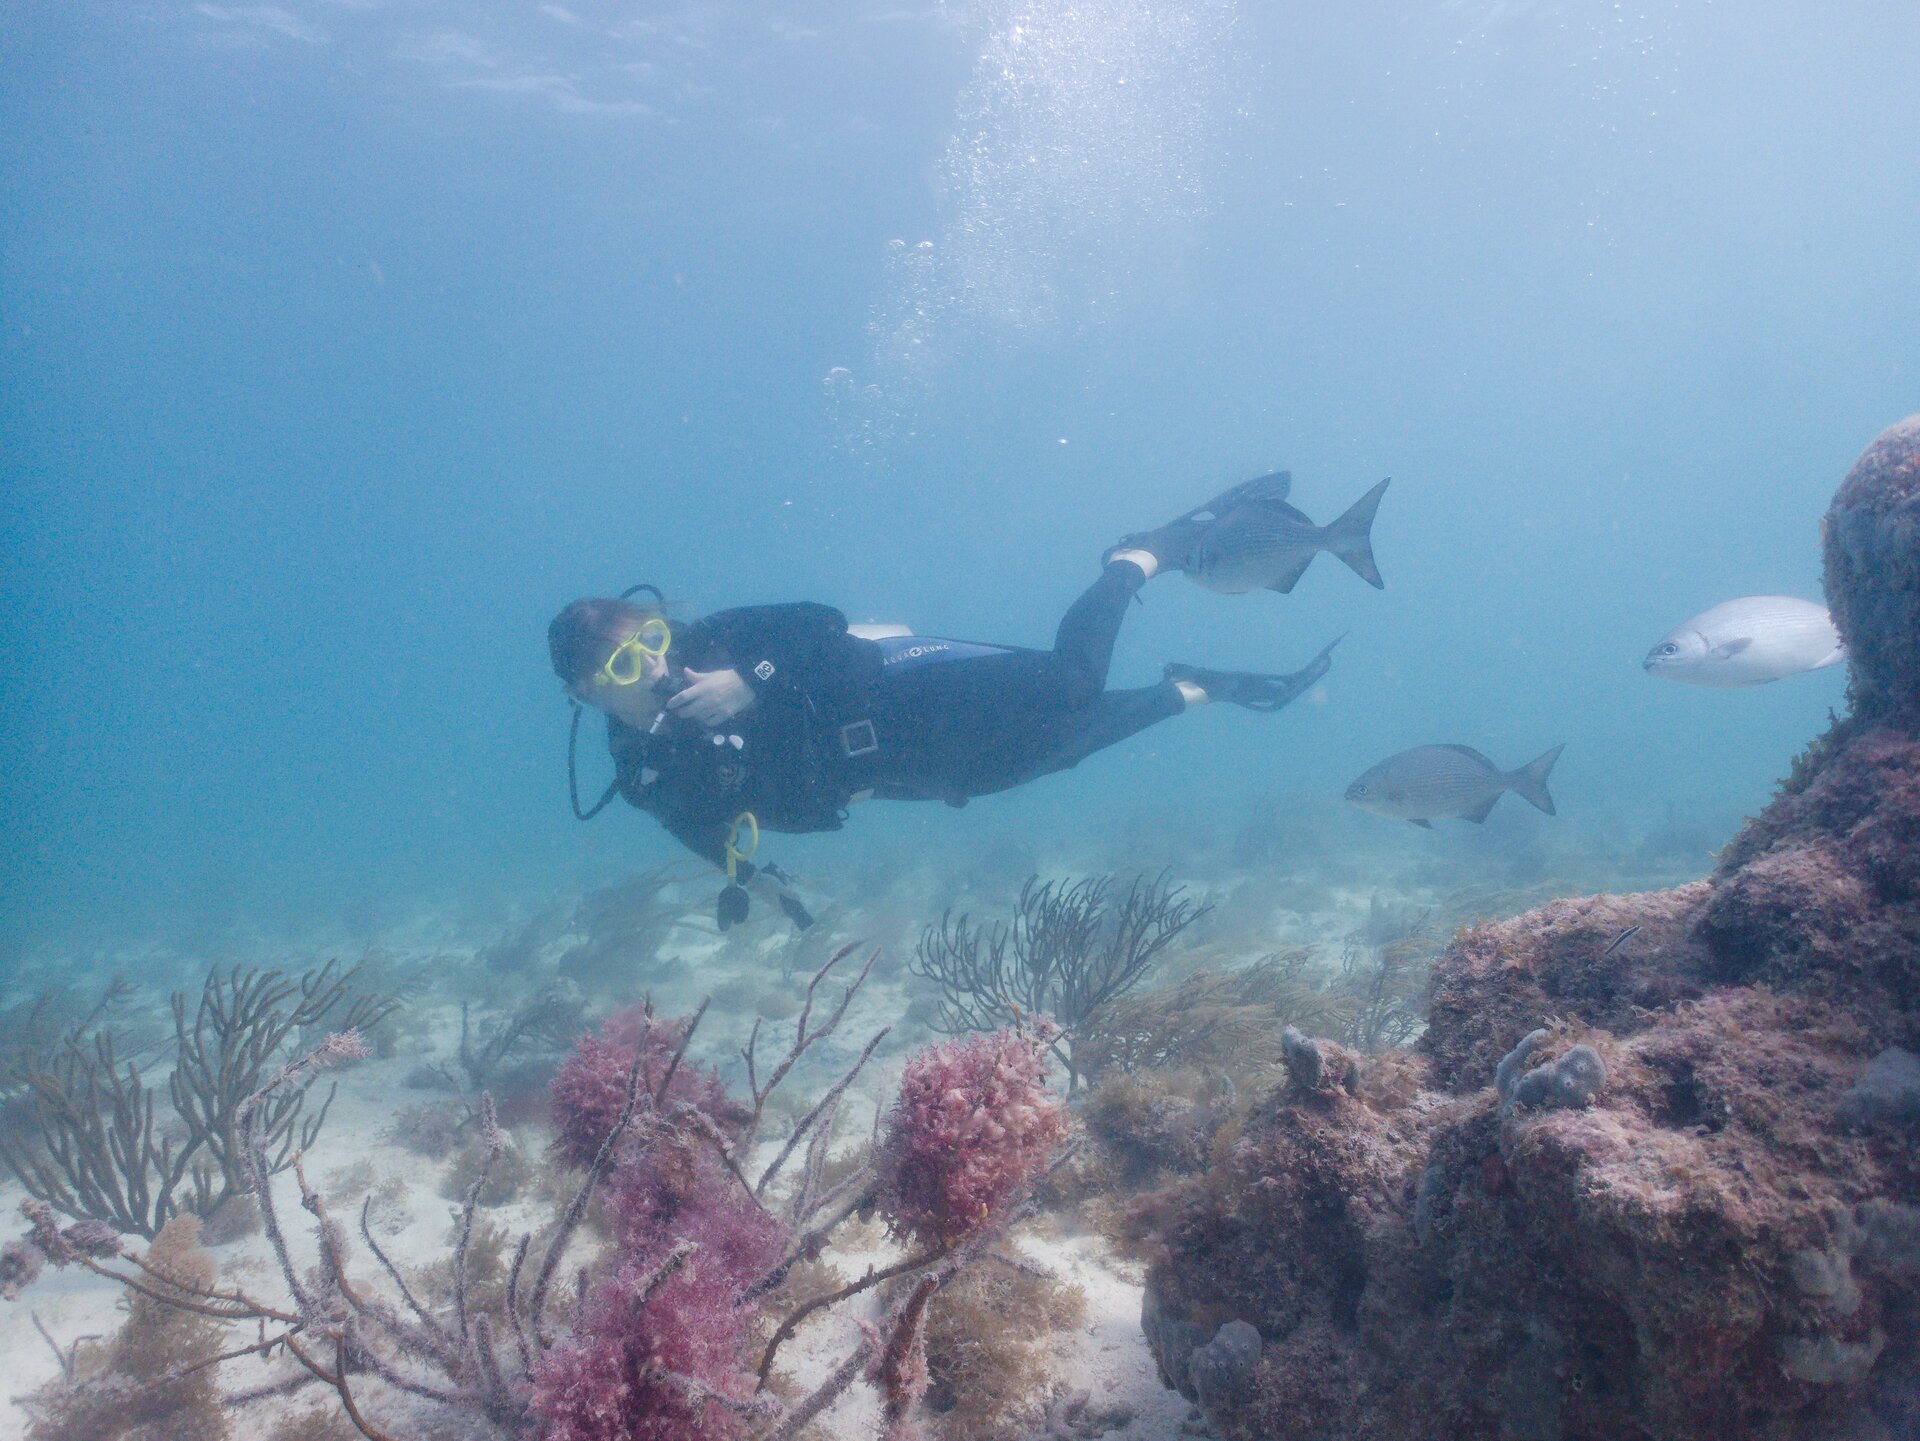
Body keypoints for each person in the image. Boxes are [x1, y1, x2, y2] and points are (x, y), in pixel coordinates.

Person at [548, 510, 1338, 929]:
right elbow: (696, 825)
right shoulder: (642, 772)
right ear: (587, 695)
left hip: (904, 681)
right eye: (623, 667)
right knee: (1051, 755)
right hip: (894, 772)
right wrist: (757, 879)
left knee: (1071, 684)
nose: (654, 666)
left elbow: (821, 621)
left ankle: (1136, 559)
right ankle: (1196, 688)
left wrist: (748, 681)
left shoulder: (718, 639)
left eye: (651, 639)